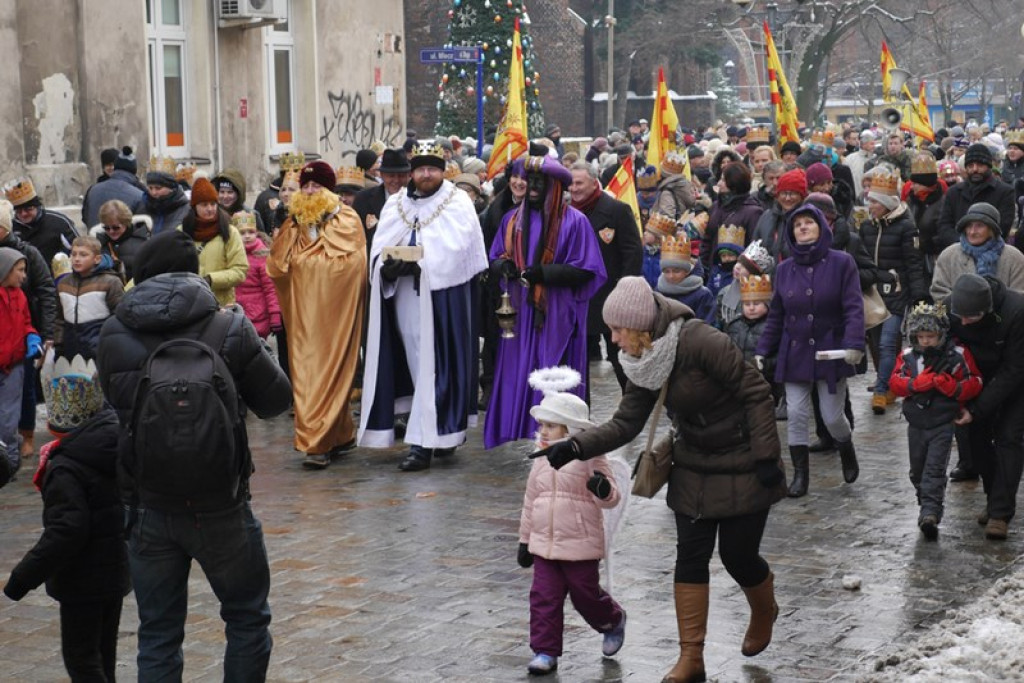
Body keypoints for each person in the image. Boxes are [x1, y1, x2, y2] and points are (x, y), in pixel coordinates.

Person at [534, 275, 786, 683]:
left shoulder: (702, 341)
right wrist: (575, 446)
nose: (613, 339)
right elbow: (626, 422)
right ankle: (692, 657)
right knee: (690, 557)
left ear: (640, 326)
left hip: (743, 459)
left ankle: (763, 608)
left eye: (618, 329)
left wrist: (766, 457)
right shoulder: (642, 361)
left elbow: (757, 393)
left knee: (738, 556)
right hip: (692, 462)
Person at [95, 229, 291, 681]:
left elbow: (118, 405)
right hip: (222, 500)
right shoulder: (228, 326)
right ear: (195, 270)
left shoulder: (113, 331)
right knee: (246, 617)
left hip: (148, 502)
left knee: (158, 634)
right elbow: (276, 402)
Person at [358, 141, 488, 472]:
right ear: (412, 173)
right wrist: (387, 268)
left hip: (443, 300)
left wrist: (423, 265)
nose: (426, 174)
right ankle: (438, 432)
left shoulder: (457, 202)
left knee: (436, 366)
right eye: (420, 169)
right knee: (417, 364)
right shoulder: (396, 204)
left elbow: (461, 250)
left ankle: (422, 444)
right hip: (404, 298)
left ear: (442, 172)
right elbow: (379, 248)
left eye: (432, 169)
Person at [3, 364, 129, 682]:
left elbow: (67, 530)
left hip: (82, 580)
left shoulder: (65, 467)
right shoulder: (112, 445)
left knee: (82, 659)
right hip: (114, 571)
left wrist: (22, 577)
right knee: (104, 655)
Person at [485, 156, 607, 447]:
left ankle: (559, 435)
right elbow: (495, 255)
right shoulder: (512, 220)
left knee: (555, 374)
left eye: (540, 182)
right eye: (531, 181)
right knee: (519, 374)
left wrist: (545, 274)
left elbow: (588, 270)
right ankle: (524, 429)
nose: (533, 188)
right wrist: (503, 267)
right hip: (520, 314)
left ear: (555, 187)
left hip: (558, 313)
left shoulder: (575, 222)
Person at [755, 203, 865, 497]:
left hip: (831, 350)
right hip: (795, 352)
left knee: (832, 416)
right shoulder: (784, 269)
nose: (802, 227)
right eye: (797, 224)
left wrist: (854, 343)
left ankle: (846, 446)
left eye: (809, 222)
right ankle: (800, 476)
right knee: (796, 413)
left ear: (821, 227)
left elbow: (853, 306)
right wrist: (763, 349)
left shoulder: (842, 262)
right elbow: (776, 314)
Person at [517, 381, 626, 675]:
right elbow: (530, 501)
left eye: (551, 426)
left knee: (585, 595)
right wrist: (525, 540)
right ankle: (544, 650)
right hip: (544, 545)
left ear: (571, 429)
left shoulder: (591, 456)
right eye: (542, 425)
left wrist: (602, 488)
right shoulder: (540, 459)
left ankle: (612, 620)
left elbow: (612, 497)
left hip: (580, 544)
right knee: (544, 597)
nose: (543, 431)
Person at [267, 160, 367, 469]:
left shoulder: (346, 219)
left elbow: (352, 265)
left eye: (317, 186)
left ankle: (317, 443)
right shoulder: (293, 223)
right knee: (306, 372)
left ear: (330, 190)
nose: (310, 191)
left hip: (335, 315)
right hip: (302, 317)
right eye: (306, 186)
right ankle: (338, 434)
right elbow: (278, 267)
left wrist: (306, 264)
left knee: (329, 371)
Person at [888, 302, 982, 539]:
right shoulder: (908, 357)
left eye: (930, 336)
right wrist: (913, 385)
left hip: (943, 422)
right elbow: (895, 382)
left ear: (941, 334)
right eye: (921, 336)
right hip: (916, 422)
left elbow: (975, 381)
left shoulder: (957, 355)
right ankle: (926, 502)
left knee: (934, 469)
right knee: (917, 471)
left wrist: (955, 388)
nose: (926, 341)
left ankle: (930, 512)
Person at [943, 274, 1024, 540]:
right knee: (974, 441)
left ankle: (1000, 513)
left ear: (987, 309)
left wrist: (978, 409)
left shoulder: (1016, 311)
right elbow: (939, 349)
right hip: (973, 380)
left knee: (1008, 439)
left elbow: (1014, 369)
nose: (965, 322)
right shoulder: (948, 309)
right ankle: (993, 499)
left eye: (972, 317)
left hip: (1014, 381)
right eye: (961, 316)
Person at [859, 170, 928, 415]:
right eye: (869, 200)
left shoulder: (906, 227)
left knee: (888, 343)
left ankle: (879, 391)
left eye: (875, 201)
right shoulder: (866, 226)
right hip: (872, 292)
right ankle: (888, 384)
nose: (870, 206)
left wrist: (918, 295)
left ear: (887, 203)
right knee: (876, 344)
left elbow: (914, 263)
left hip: (897, 292)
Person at [568, 161, 641, 391]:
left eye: (579, 183)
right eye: (571, 184)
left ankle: (632, 402)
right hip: (579, 297)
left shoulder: (617, 210)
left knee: (620, 358)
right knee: (578, 363)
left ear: (594, 182)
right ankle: (579, 405)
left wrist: (625, 290)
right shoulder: (566, 212)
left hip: (611, 296)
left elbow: (632, 252)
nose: (574, 188)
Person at [0, 246, 40, 481]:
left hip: (14, 365)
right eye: (20, 270)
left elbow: (26, 323)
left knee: (9, 416)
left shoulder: (20, 296)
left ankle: (8, 463)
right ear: (5, 270)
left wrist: (32, 336)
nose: (24, 276)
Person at [931, 202, 1024, 301]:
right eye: (969, 226)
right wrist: (963, 305)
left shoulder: (1014, 258)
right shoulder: (949, 255)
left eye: (979, 226)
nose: (972, 232)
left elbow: (1019, 297)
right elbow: (939, 291)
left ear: (992, 229)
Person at [179, 177, 248, 306]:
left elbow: (240, 270)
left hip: (221, 305)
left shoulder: (230, 232)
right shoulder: (181, 232)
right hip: (189, 303)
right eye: (204, 205)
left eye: (213, 204)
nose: (210, 208)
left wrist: (211, 279)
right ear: (194, 207)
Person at [54, 236, 124, 361]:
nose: (76, 259)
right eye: (73, 254)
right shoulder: (63, 284)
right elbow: (59, 318)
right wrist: (58, 344)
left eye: (83, 255)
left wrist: (111, 345)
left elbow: (119, 317)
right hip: (71, 350)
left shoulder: (110, 282)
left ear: (97, 259)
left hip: (100, 349)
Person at [936, 143, 1016, 244]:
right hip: (958, 248)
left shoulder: (1005, 192)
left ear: (989, 166)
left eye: (980, 165)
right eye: (970, 166)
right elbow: (944, 226)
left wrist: (976, 243)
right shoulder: (954, 192)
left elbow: (1003, 227)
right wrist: (963, 243)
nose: (975, 169)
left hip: (992, 250)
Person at [7, 178, 79, 269]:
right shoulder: (10, 227)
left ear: (37, 206)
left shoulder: (59, 222)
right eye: (19, 211)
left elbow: (79, 247)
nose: (23, 214)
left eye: (28, 209)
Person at [233, 212, 281, 340]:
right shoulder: (232, 254)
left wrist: (275, 314)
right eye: (242, 233)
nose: (247, 236)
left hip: (258, 315)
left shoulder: (262, 256)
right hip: (238, 313)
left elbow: (270, 288)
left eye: (251, 232)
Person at [352, 148, 411, 251]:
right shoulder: (363, 199)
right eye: (391, 176)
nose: (396, 180)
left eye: (401, 175)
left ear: (409, 176)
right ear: (382, 175)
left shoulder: (418, 200)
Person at [727, 274, 777, 389]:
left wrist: (765, 364)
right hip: (737, 379)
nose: (751, 308)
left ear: (767, 304)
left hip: (766, 381)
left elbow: (780, 355)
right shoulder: (733, 325)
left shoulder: (773, 327)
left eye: (756, 304)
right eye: (747, 304)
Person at [81, 146, 146, 228]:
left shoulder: (93, 190)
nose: (111, 168)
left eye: (113, 165)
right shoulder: (139, 193)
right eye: (108, 165)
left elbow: (86, 216)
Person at [656, 233, 714, 324]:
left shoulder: (702, 295)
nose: (671, 276)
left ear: (686, 271)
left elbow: (705, 325)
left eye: (676, 271)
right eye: (667, 271)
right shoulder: (658, 291)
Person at [716, 239, 774, 329]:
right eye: (738, 262)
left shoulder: (764, 297)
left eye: (744, 266)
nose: (737, 267)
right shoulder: (724, 293)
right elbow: (718, 322)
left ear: (753, 274)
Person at [752, 167, 808, 261]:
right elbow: (755, 248)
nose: (787, 198)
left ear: (802, 196)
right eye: (784, 193)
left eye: (792, 194)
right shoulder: (767, 217)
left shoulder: (808, 219)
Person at [95, 199, 151, 282]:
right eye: (106, 228)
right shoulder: (98, 243)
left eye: (116, 227)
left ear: (126, 223)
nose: (111, 231)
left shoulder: (143, 241)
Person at [140, 169, 191, 235]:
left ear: (171, 189)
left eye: (158, 188)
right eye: (150, 188)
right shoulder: (143, 206)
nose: (153, 192)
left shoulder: (186, 210)